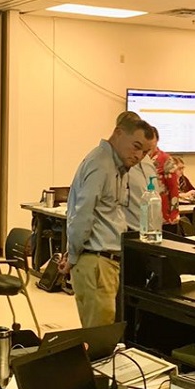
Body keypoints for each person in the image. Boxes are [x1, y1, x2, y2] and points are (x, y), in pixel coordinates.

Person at [63, 114, 155, 327]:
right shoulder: (101, 164)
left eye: (145, 152)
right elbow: (82, 215)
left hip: (104, 262)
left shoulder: (116, 166)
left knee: (102, 332)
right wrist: (72, 256)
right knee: (99, 337)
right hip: (96, 262)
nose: (139, 156)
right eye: (136, 146)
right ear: (118, 133)